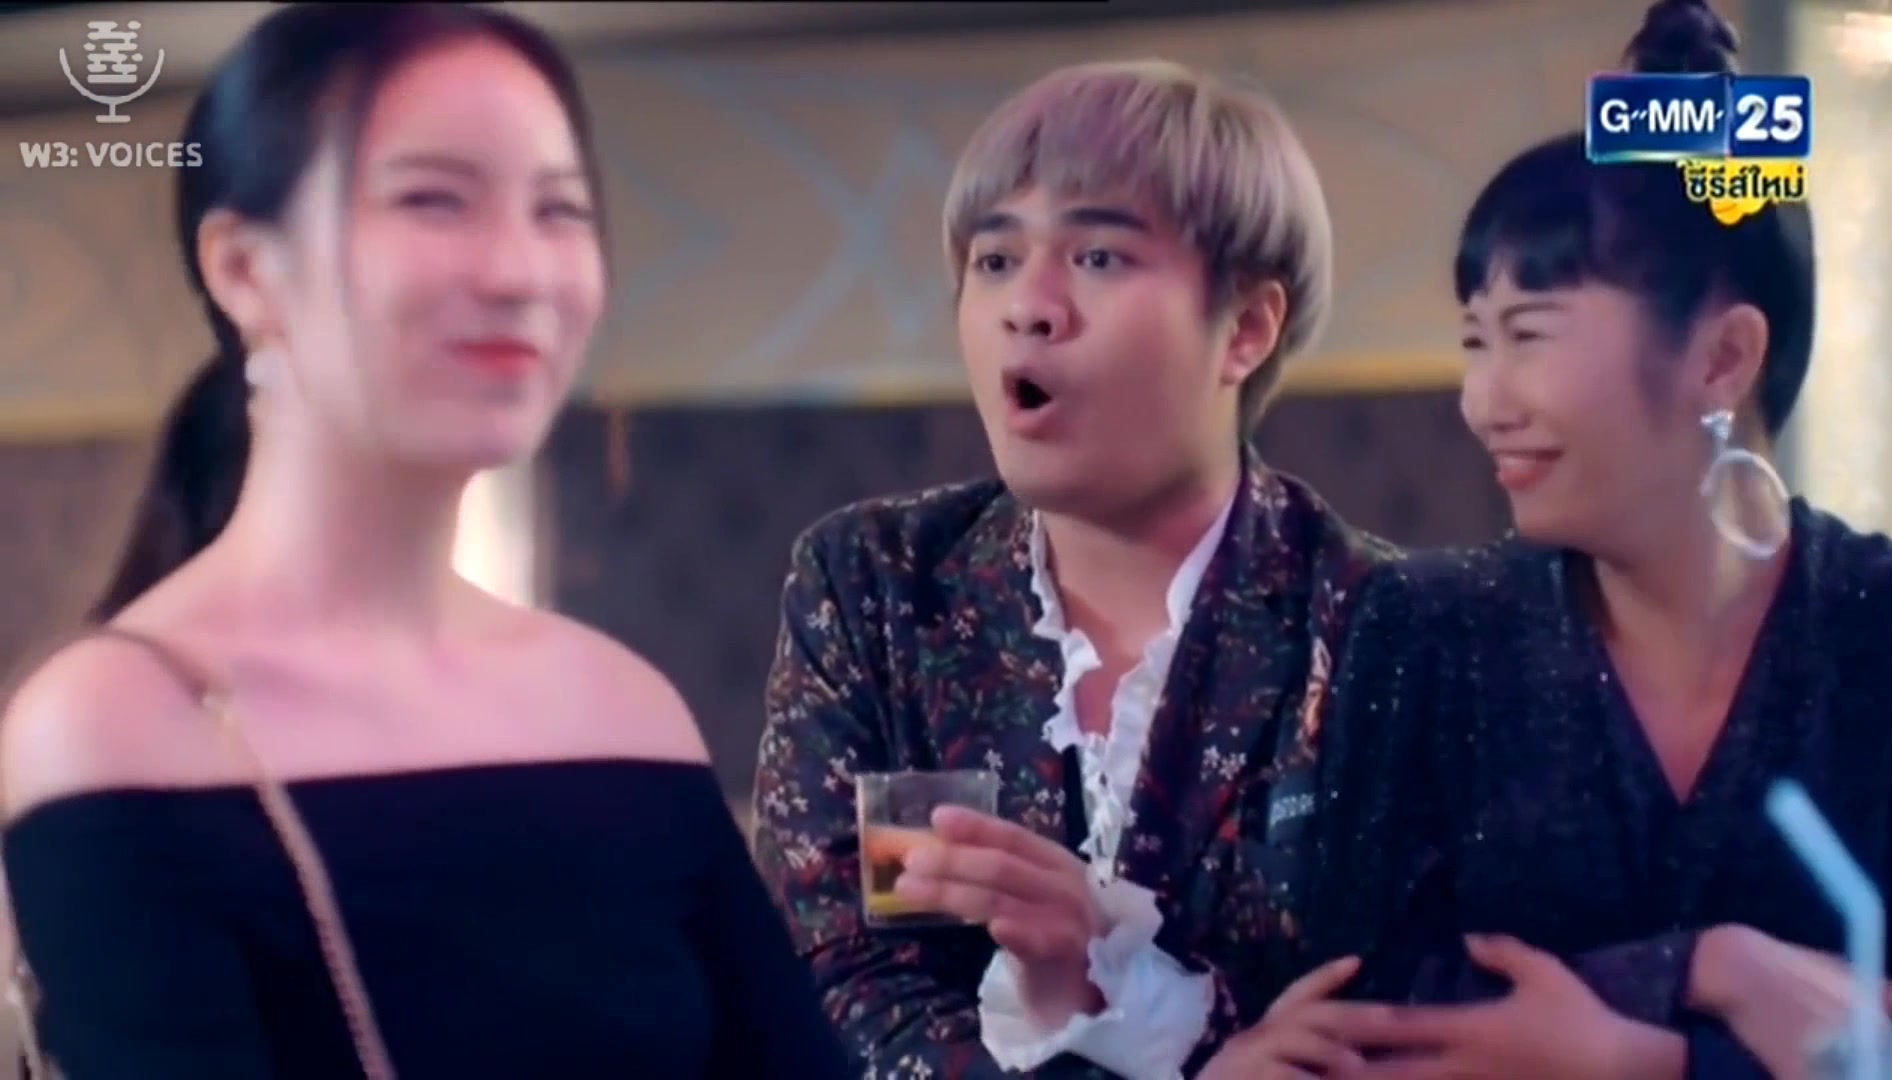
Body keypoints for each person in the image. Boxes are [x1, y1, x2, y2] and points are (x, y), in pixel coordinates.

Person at [0, 6, 852, 1079]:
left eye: (560, 210)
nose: (519, 271)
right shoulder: (116, 720)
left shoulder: (621, 706)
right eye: (434, 200)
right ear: (245, 270)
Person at [749, 57, 1436, 1080]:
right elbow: (836, 981)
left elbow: (1405, 1007)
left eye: (1100, 258)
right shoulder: (875, 591)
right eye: (995, 260)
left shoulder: (1388, 625)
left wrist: (1139, 997)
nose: (1029, 307)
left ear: (1245, 329)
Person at [1326, 2, 1892, 1077]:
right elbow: (1356, 1002)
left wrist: (1649, 1061)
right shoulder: (1430, 630)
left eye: (1528, 335)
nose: (1481, 403)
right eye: (1474, 341)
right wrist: (1705, 969)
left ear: (1723, 360)